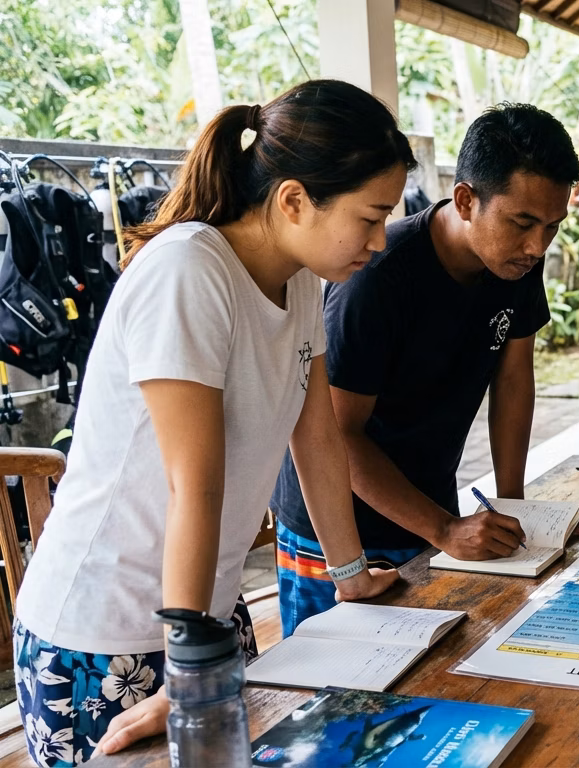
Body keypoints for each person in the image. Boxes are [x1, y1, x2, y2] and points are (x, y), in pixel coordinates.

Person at [11, 80, 411, 767]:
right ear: (293, 200)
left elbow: (316, 436)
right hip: (104, 632)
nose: (379, 241)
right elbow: (193, 484)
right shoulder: (189, 270)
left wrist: (348, 576)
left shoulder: (302, 279)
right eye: (369, 217)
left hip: (205, 618)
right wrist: (188, 671)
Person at [270, 103, 579, 635]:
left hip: (429, 515)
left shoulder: (516, 263)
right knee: (335, 674)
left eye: (552, 227)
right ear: (465, 200)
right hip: (338, 530)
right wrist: (444, 529)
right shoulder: (377, 277)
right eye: (522, 223)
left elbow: (512, 382)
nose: (537, 246)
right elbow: (337, 435)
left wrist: (514, 507)